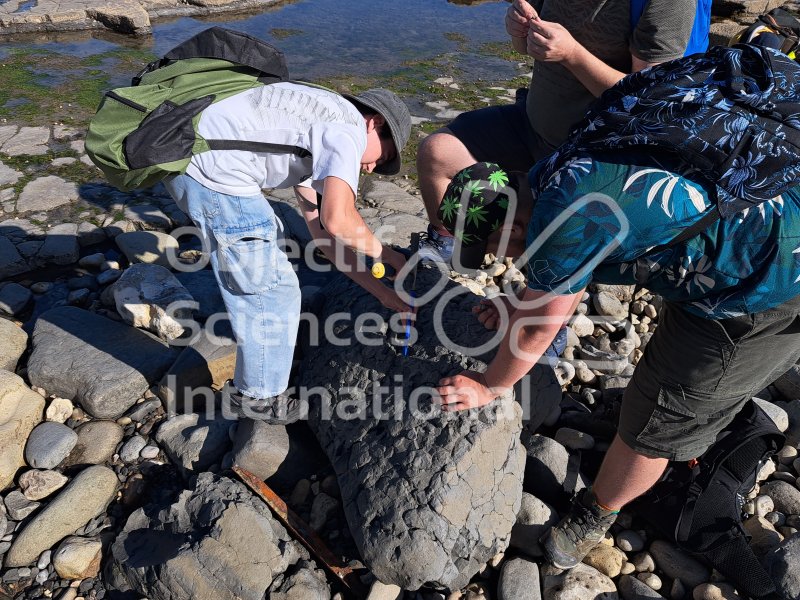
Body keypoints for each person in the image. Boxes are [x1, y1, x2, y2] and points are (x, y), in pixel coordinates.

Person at [432, 158, 800, 569]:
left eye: (491, 249)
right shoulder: (555, 171)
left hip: (770, 278)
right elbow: (573, 270)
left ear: (514, 228)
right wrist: (525, 300)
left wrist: (489, 385)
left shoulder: (560, 227)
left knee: (660, 417)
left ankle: (599, 510)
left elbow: (538, 330)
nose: (496, 260)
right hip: (766, 202)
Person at [164, 83, 412, 424]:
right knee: (273, 291)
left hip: (184, 159)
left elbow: (325, 237)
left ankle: (261, 376)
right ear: (376, 123)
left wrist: (383, 294)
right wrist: (387, 255)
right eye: (381, 157)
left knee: (265, 273)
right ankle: (259, 397)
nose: (370, 169)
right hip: (214, 173)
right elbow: (339, 219)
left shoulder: (319, 123)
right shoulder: (347, 127)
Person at [415, 0, 699, 264]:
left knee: (563, 235)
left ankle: (547, 276)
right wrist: (519, 32)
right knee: (437, 153)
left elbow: (646, 103)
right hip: (532, 124)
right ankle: (451, 244)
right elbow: (527, 47)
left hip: (592, 151)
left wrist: (572, 54)